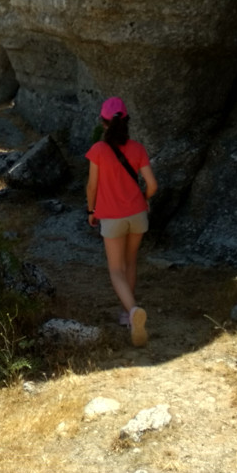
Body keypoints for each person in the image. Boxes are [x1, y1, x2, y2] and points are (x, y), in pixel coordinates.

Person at [85, 97, 158, 347]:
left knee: (115, 270)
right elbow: (153, 185)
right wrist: (145, 199)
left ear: (104, 123)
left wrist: (91, 210)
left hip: (112, 218)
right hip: (138, 215)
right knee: (130, 263)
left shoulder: (98, 150)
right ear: (126, 121)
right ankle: (128, 315)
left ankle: (134, 311)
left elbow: (92, 185)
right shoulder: (138, 149)